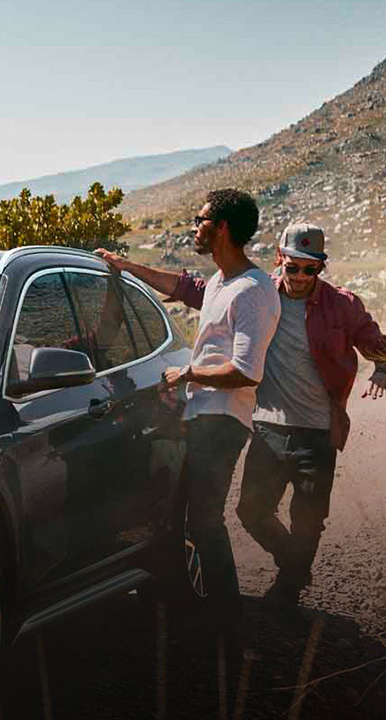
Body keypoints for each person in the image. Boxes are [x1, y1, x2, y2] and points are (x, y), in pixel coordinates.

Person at [102, 222, 386, 604]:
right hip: (268, 427)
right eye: (292, 267)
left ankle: (288, 590)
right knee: (251, 511)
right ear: (280, 259)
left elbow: (384, 349)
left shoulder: (342, 305)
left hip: (318, 431)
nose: (298, 277)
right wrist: (127, 266)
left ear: (320, 269)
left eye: (309, 269)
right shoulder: (259, 296)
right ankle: (295, 565)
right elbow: (186, 287)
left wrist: (382, 371)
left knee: (308, 520)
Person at [97, 189, 280, 643]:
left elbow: (245, 371)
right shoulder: (221, 282)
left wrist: (187, 374)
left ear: (221, 229)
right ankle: (197, 605)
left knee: (204, 519)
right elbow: (180, 287)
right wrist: (126, 266)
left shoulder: (254, 293)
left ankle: (225, 619)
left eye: (199, 221)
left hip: (223, 419)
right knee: (188, 514)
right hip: (202, 413)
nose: (193, 227)